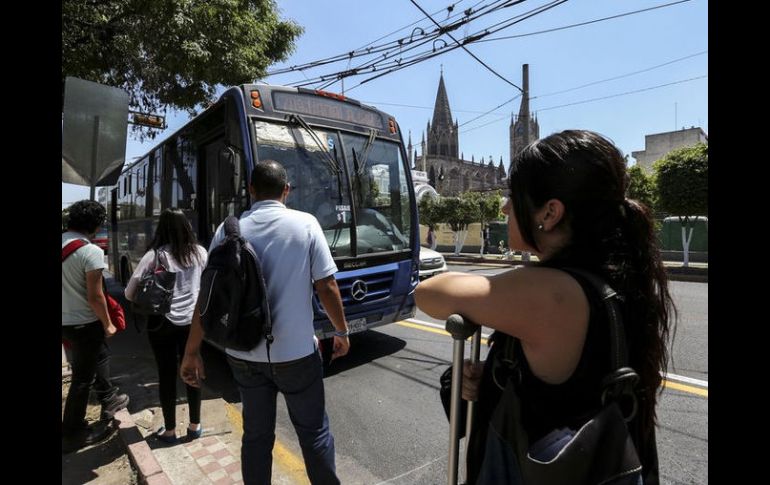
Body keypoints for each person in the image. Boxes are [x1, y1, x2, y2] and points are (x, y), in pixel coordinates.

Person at [415, 130, 674, 484]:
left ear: (550, 213)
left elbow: (429, 293)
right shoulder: (616, 277)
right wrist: (496, 377)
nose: (504, 207)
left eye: (513, 196)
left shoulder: (551, 291)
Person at [181, 160, 351, 485]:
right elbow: (327, 286)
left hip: (243, 354)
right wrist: (341, 331)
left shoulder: (228, 229)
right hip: (297, 355)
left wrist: (191, 351)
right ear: (287, 190)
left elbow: (208, 296)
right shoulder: (305, 224)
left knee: (256, 437)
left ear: (251, 190)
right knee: (314, 434)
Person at [125, 208, 208, 444]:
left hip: (161, 323)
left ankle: (170, 431)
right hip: (192, 324)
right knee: (192, 370)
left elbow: (129, 293)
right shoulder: (200, 253)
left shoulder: (154, 256)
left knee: (166, 374)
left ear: (161, 228)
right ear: (187, 227)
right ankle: (194, 426)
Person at [62, 200, 129, 453]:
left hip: (65, 321)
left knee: (98, 356)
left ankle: (110, 398)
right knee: (82, 379)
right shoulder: (90, 251)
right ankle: (71, 433)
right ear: (95, 225)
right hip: (83, 322)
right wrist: (108, 323)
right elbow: (95, 296)